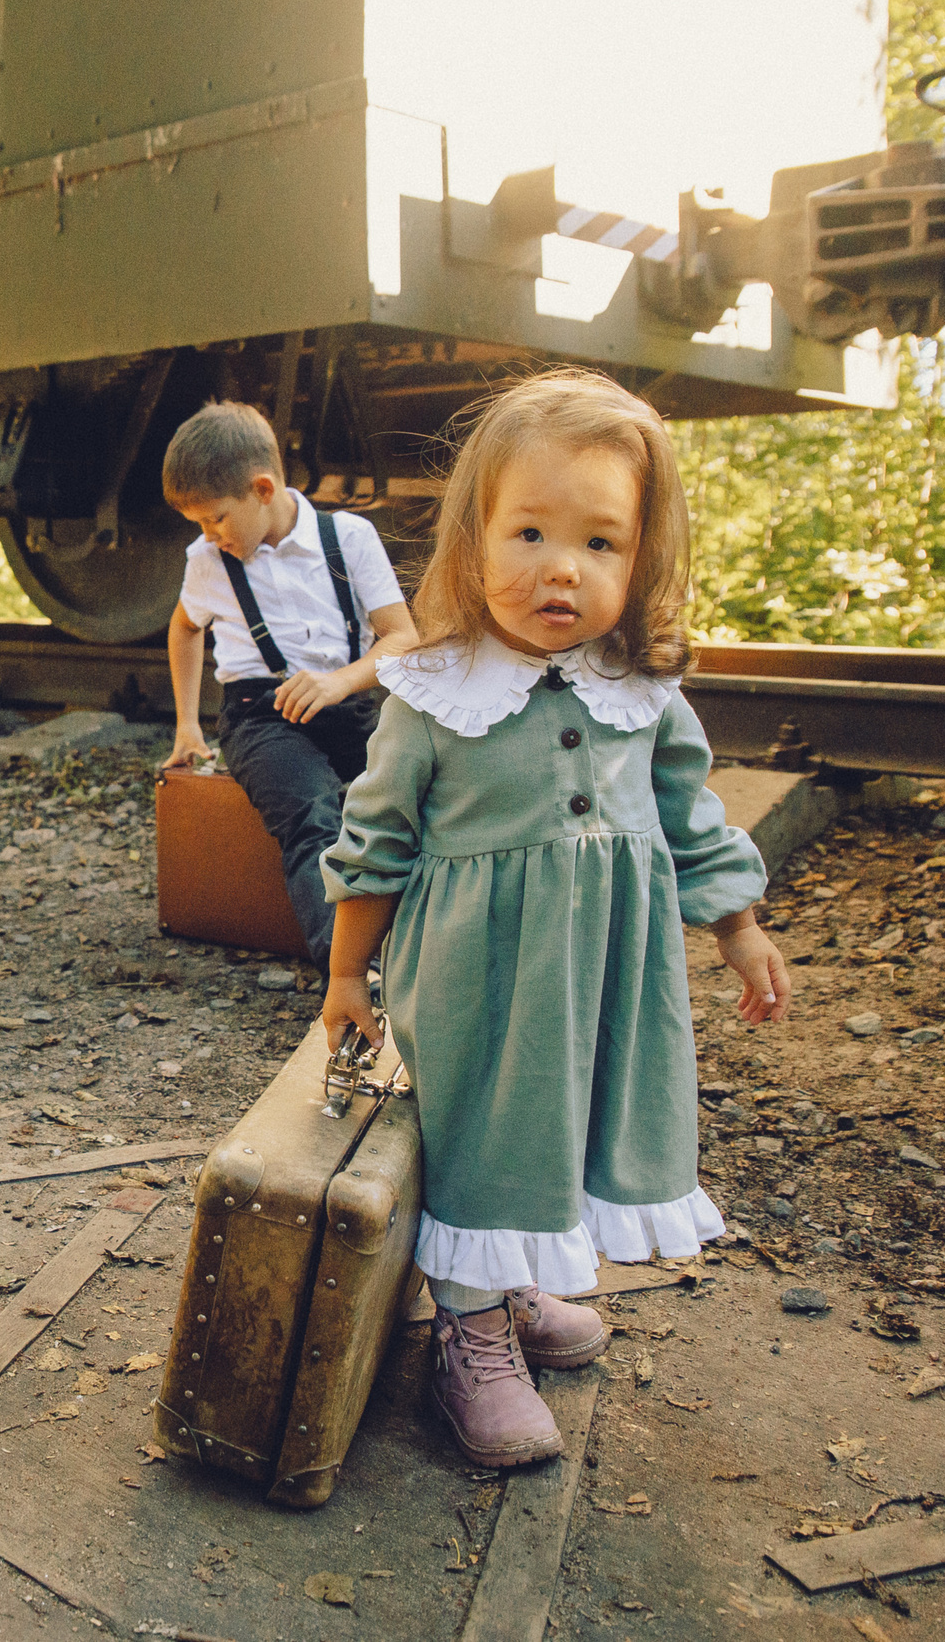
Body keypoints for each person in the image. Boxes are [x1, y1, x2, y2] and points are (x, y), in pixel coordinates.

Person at [315, 369, 790, 1469]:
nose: (560, 568)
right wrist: (348, 978)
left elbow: (689, 815)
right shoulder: (434, 690)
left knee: (567, 1114)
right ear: (473, 538)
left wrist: (737, 929)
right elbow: (373, 843)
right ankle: (469, 1335)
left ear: (641, 557)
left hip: (606, 968)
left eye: (600, 544)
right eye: (527, 531)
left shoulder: (638, 687)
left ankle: (516, 1281)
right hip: (480, 973)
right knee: (484, 1127)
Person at [161, 401, 417, 972]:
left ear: (263, 488)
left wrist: (338, 683)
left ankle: (430, 945)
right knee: (314, 813)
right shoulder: (207, 561)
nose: (209, 535)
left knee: (415, 803)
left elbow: (401, 638)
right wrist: (186, 724)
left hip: (345, 704)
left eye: (217, 519)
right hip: (259, 716)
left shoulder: (347, 537)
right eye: (199, 525)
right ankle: (355, 971)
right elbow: (184, 628)